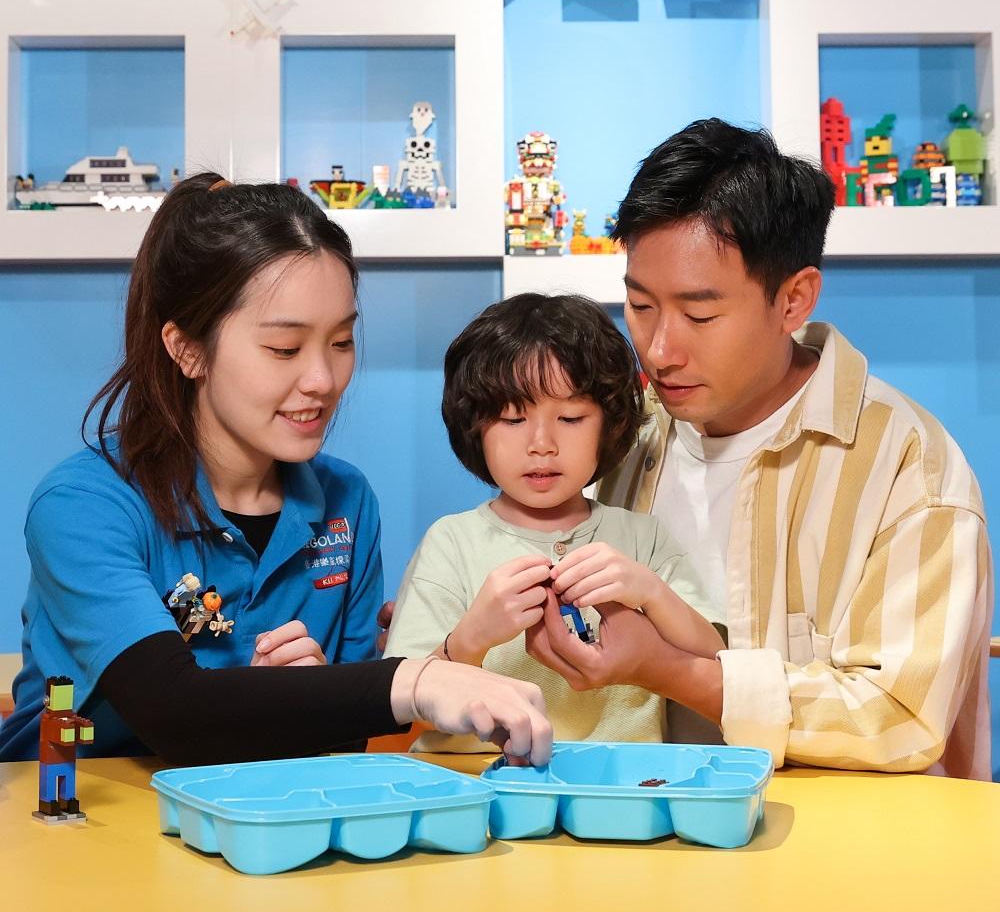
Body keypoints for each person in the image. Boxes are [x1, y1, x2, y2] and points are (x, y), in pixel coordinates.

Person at [0, 174, 552, 768]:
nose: (323, 380)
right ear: (187, 349)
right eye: (285, 349)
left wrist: (305, 697)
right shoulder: (83, 504)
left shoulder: (347, 502)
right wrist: (415, 680)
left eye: (341, 342)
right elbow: (171, 710)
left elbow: (345, 745)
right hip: (75, 811)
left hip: (257, 815)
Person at [520, 118, 993, 779]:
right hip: (641, 825)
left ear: (794, 299)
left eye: (700, 315)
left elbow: (897, 717)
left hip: (842, 839)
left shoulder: (907, 465)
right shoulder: (623, 436)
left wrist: (671, 670)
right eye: (640, 306)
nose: (660, 350)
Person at [383, 293, 723, 752]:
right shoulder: (452, 543)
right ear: (474, 427)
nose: (541, 444)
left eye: (569, 417)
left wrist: (651, 593)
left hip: (622, 783)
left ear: (610, 424)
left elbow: (716, 659)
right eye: (512, 418)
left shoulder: (641, 538)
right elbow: (400, 707)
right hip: (478, 783)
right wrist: (471, 638)